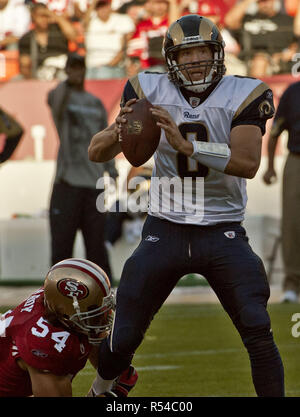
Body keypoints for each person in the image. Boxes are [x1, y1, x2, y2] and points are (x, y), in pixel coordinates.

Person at [87, 14, 285, 397]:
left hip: (222, 231)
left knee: (257, 326)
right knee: (124, 333)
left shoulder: (243, 93)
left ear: (218, 54)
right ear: (171, 59)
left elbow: (247, 164)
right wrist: (121, 129)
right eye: (186, 52)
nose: (195, 60)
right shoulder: (147, 89)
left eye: (202, 50)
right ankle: (102, 390)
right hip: (166, 227)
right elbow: (97, 152)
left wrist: (187, 145)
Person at [0, 258, 138, 397]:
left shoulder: (57, 305)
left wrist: (110, 375)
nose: (105, 316)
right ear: (67, 310)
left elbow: (109, 365)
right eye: (95, 310)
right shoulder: (43, 343)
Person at [48, 53, 117, 282]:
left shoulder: (95, 103)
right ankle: (56, 301)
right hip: (66, 183)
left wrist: (111, 169)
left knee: (97, 249)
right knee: (61, 250)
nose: (77, 72)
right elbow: (54, 101)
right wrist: (68, 81)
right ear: (67, 71)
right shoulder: (60, 95)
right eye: (72, 68)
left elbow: (104, 137)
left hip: (93, 185)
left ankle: (105, 300)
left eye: (80, 68)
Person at [263, 81, 300, 303]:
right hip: (297, 159)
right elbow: (275, 130)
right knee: (292, 224)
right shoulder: (293, 92)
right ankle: (292, 284)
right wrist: (269, 167)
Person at [224, 0, 297, 78]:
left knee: (260, 61)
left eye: (267, 1)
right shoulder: (247, 19)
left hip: (274, 61)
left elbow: (295, 42)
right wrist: (248, 1)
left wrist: (285, 54)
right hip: (245, 59)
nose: (264, 4)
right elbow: (229, 21)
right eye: (261, 1)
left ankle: (256, 89)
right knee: (221, 59)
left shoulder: (287, 21)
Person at [18, 2, 77, 80]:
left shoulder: (58, 30)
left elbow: (73, 36)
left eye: (46, 16)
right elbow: (24, 64)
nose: (44, 19)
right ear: (33, 17)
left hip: (61, 73)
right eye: (40, 16)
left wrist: (53, 15)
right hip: (39, 76)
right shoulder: (26, 39)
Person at [83, 0, 135, 79]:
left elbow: (127, 42)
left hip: (114, 66)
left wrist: (113, 62)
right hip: (91, 65)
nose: (103, 9)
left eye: (105, 6)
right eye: (99, 7)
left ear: (110, 6)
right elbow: (84, 23)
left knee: (102, 73)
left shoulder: (122, 19)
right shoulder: (91, 22)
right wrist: (94, 3)